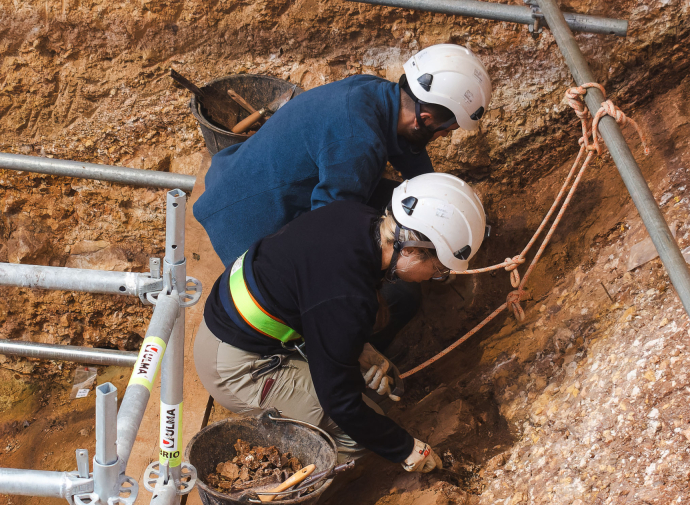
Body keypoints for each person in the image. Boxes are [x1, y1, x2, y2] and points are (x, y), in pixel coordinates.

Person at [193, 45, 492, 350]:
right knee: (400, 297)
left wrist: (449, 218)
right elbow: (327, 238)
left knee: (397, 202)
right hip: (245, 226)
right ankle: (346, 360)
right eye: (445, 131)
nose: (444, 136)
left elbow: (413, 161)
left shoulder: (374, 93)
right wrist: (370, 295)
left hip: (243, 180)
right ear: (425, 119)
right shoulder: (358, 143)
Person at [193, 173, 487, 471]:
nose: (435, 277)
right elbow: (340, 403)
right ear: (410, 249)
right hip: (236, 365)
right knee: (354, 438)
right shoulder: (346, 297)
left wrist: (363, 350)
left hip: (248, 325)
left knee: (378, 396)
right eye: (438, 269)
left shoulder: (357, 216)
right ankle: (278, 483)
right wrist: (405, 449)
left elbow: (317, 294)